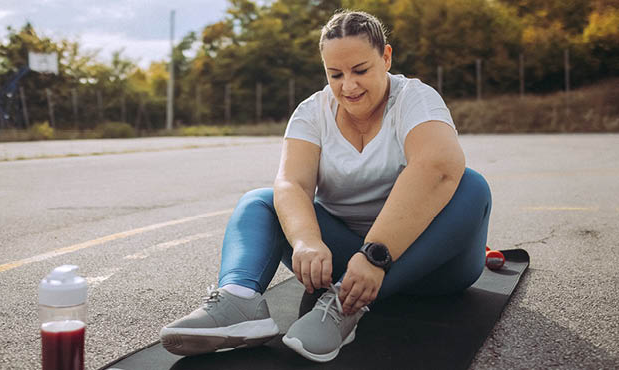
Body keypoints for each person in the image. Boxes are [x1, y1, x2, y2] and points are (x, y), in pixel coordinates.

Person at [160, 10, 492, 363]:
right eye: (336, 74)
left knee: (471, 186)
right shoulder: (311, 112)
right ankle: (238, 302)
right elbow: (292, 183)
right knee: (261, 201)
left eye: (360, 70)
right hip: (344, 260)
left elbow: (438, 168)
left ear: (386, 57)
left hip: (434, 267)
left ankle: (344, 305)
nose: (348, 86)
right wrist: (306, 240)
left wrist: (374, 256)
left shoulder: (414, 98)